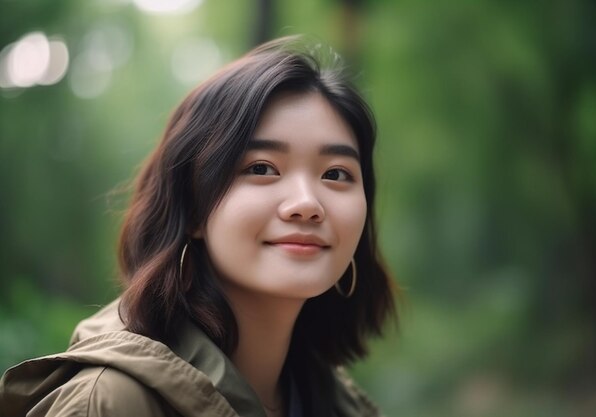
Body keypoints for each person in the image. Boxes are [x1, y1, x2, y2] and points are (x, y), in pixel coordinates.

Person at [0, 36, 396, 417]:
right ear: (192, 210)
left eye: (336, 174)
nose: (307, 204)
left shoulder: (340, 405)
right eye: (261, 168)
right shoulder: (108, 403)